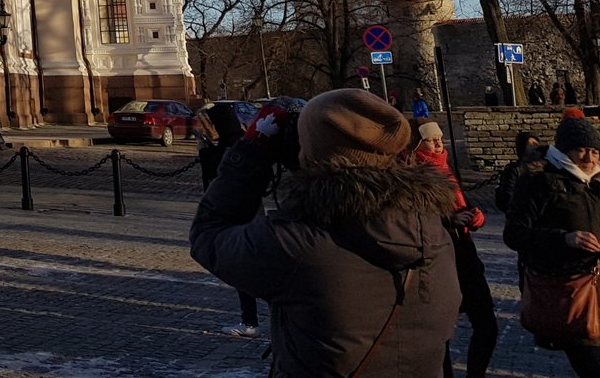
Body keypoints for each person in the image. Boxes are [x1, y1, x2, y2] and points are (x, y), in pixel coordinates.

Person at [191, 88, 460, 377]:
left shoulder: (297, 242)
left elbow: (209, 235)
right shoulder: (433, 232)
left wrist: (252, 151)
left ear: (311, 151)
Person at [505, 113, 600, 375]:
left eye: (595, 151)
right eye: (582, 150)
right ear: (564, 150)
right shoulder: (539, 181)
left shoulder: (597, 183)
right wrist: (564, 239)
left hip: (599, 287)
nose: (589, 159)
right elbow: (514, 234)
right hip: (566, 292)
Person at [414, 121, 497, 378]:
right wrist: (446, 221)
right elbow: (413, 220)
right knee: (441, 335)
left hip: (466, 257)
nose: (439, 143)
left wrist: (476, 216)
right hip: (440, 262)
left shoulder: (446, 170)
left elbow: (465, 206)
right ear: (418, 145)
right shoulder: (414, 175)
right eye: (431, 140)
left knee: (487, 327)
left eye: (440, 138)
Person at [196, 103, 261, 338]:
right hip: (252, 215)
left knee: (244, 270)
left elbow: (214, 180)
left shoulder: (227, 149)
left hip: (237, 217)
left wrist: (204, 150)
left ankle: (250, 321)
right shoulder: (242, 142)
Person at [497, 130, 544, 214]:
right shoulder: (514, 170)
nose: (534, 149)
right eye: (530, 145)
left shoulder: (544, 169)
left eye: (535, 145)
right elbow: (507, 196)